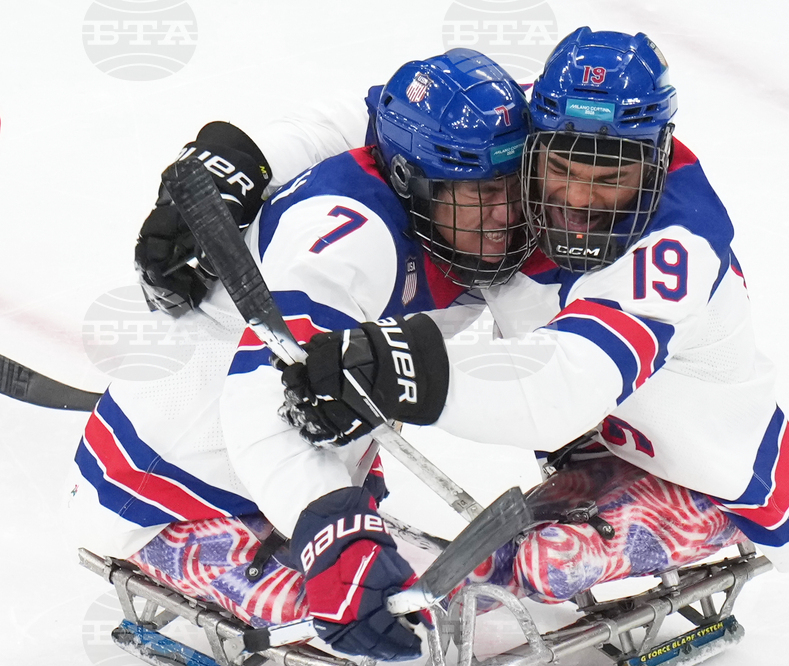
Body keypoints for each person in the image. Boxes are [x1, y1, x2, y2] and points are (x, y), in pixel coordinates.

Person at [277, 28, 789, 592]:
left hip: (710, 476)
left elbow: (563, 388)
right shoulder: (556, 119)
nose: (580, 202)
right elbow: (388, 116)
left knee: (541, 562)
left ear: (656, 160)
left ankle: (721, 525)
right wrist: (247, 159)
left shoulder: (674, 249)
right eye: (564, 171)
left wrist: (400, 376)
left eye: (610, 180)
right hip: (596, 446)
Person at [68, 49, 535, 662]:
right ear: (414, 182)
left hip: (298, 458)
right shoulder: (351, 238)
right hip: (165, 494)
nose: (505, 215)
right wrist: (331, 532)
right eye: (478, 193)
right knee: (417, 642)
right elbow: (262, 404)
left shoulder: (458, 180)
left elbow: (386, 113)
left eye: (512, 185)